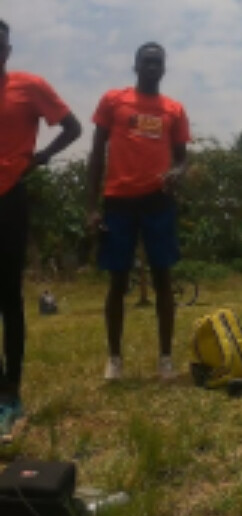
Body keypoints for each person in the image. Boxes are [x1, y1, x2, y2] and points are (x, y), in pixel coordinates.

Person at [86, 42, 192, 382]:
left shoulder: (174, 110)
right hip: (118, 200)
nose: (152, 67)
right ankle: (114, 360)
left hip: (158, 202)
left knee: (163, 279)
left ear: (164, 69)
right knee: (118, 281)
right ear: (135, 66)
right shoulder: (113, 101)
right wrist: (91, 207)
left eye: (157, 62)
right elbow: (96, 153)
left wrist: (177, 173)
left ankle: (165, 360)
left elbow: (182, 159)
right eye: (146, 62)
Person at [0, 19, 82, 438]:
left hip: (9, 198)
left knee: (8, 296)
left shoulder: (29, 87)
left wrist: (41, 158)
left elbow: (73, 127)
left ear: (7, 50)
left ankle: (11, 394)